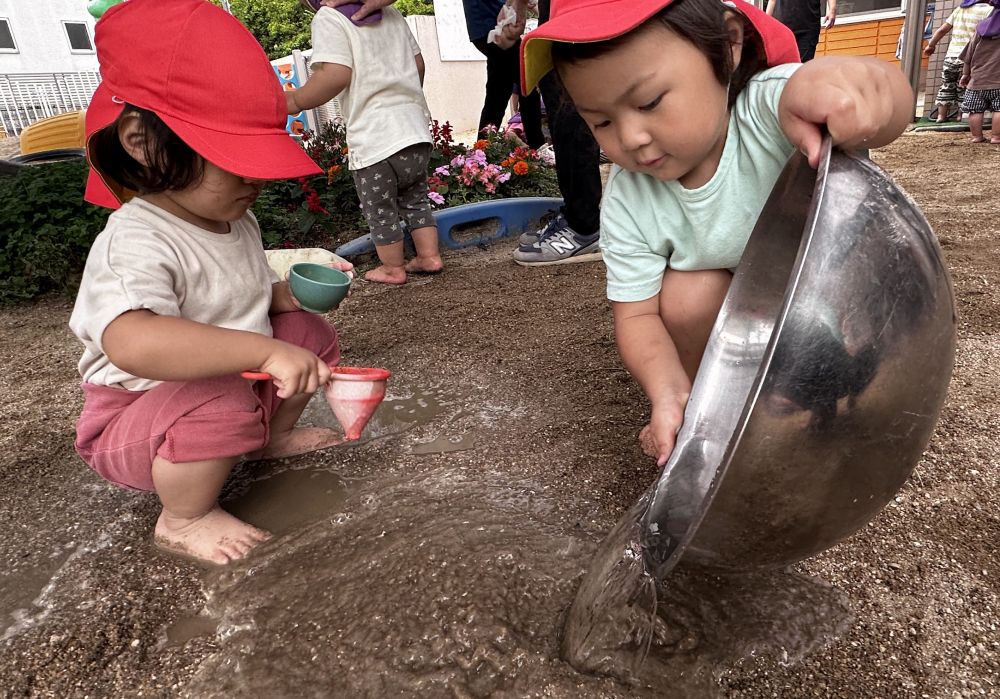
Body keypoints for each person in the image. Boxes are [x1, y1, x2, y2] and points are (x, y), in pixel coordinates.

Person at [519, 0, 912, 465]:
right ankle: (713, 408)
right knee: (687, 293)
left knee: (838, 377)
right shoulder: (629, 200)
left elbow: (880, 102)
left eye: (648, 102)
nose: (631, 138)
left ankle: (817, 396)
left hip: (828, 304)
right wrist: (666, 391)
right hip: (738, 326)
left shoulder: (769, 112)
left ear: (727, 46)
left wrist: (856, 92)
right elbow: (637, 317)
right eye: (600, 121)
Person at [72, 0, 352, 565]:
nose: (256, 178)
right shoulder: (136, 239)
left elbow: (240, 292)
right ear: (143, 142)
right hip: (134, 419)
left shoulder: (233, 218)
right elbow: (134, 341)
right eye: (235, 158)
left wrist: (283, 299)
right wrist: (260, 349)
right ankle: (184, 516)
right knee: (224, 389)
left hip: (220, 391)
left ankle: (266, 439)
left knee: (306, 333)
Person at [289, 0, 444, 285]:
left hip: (375, 138)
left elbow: (334, 74)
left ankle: (392, 268)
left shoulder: (329, 18)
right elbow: (418, 64)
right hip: (414, 132)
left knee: (380, 209)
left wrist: (297, 99)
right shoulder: (391, 12)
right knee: (415, 199)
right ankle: (429, 256)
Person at [511, 0, 604, 266]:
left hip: (574, 12)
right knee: (562, 102)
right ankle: (579, 216)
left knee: (569, 104)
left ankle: (584, 226)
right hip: (559, 11)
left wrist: (516, 8)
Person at [462, 0, 546, 149]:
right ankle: (537, 147)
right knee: (527, 84)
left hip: (482, 29)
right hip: (498, 26)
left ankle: (482, 150)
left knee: (498, 92)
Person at [925, 0, 994, 122]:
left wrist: (931, 45)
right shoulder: (989, 10)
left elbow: (942, 30)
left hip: (951, 57)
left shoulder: (960, 9)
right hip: (969, 58)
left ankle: (941, 116)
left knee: (946, 86)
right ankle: (960, 116)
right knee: (966, 88)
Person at [959, 0, 1000, 142]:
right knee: (999, 110)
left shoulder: (981, 28)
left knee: (975, 110)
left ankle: (977, 136)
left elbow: (968, 55)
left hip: (976, 81)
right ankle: (996, 136)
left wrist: (965, 74)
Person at [766, 0, 837, 62]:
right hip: (783, 28)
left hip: (808, 28)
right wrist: (765, 24)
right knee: (782, 67)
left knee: (802, 67)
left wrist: (832, 9)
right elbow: (772, 1)